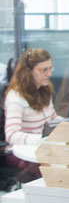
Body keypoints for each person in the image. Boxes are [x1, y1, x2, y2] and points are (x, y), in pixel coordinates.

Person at [4, 48, 59, 178]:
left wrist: (68, 124)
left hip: (41, 148)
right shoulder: (16, 97)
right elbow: (11, 135)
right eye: (43, 70)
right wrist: (39, 140)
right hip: (20, 152)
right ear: (28, 72)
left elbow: (53, 118)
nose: (49, 74)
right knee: (54, 171)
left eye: (50, 68)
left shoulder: (44, 90)